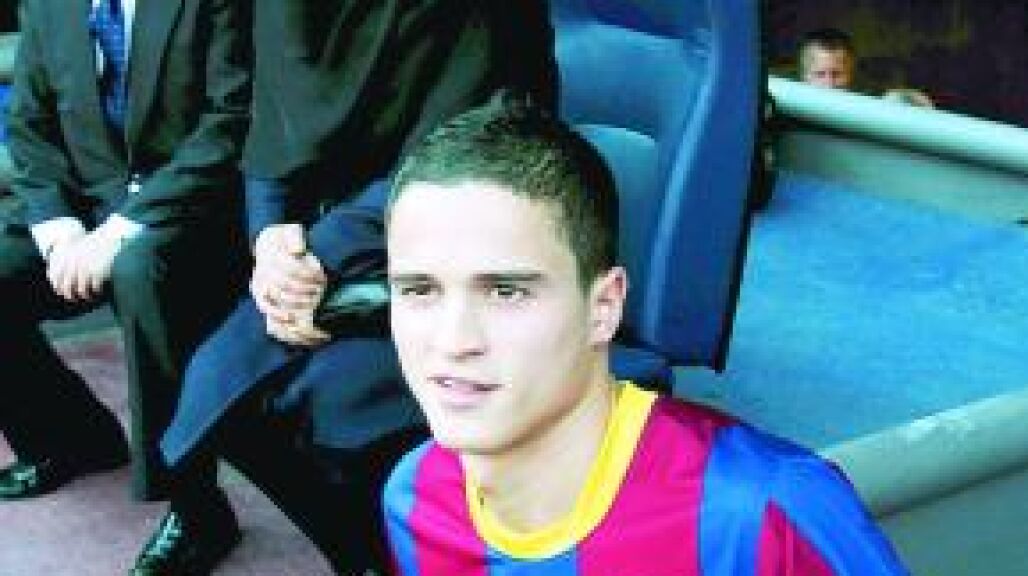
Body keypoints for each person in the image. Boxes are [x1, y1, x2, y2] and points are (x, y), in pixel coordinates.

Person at [381, 98, 910, 574]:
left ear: (604, 306)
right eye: (419, 290)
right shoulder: (415, 498)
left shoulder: (767, 513)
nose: (453, 341)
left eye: (506, 292)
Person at [158, 2, 557, 574]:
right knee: (227, 395)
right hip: (337, 257)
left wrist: (311, 263)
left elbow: (455, 164)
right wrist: (271, 242)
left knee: (323, 400)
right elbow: (270, 132)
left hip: (471, 253)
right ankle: (365, 558)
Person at [0, 0, 250, 574]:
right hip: (84, 203)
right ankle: (71, 438)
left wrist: (121, 230)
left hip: (188, 208)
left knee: (140, 274)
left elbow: (231, 119)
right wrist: (59, 228)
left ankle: (199, 511)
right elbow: (31, 126)